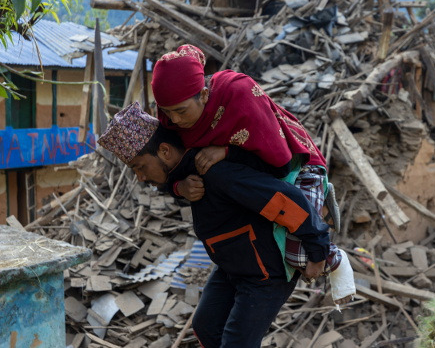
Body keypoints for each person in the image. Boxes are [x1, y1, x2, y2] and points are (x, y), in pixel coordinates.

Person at [98, 103, 355, 348]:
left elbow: (286, 201)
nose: (140, 177)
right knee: (206, 327)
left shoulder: (217, 173)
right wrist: (178, 188)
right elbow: (170, 181)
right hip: (234, 266)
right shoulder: (184, 174)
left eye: (139, 167)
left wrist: (319, 250)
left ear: (165, 151)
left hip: (265, 273)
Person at [150, 44, 341, 235]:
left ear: (203, 95)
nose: (174, 119)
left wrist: (226, 152)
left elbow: (280, 164)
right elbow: (172, 169)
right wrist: (179, 188)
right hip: (247, 186)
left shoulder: (238, 95)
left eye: (181, 111)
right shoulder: (169, 120)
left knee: (300, 254)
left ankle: (321, 200)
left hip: (295, 166)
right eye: (167, 111)